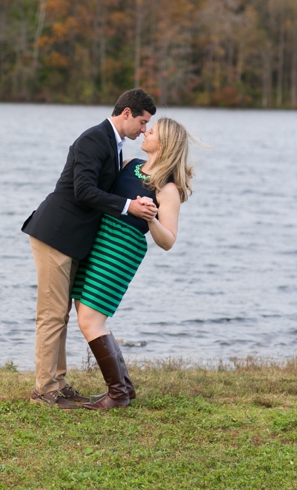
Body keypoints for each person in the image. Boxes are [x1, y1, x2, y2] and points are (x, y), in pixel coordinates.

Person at [22, 88, 158, 410]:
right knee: (51, 315)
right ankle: (44, 390)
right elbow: (83, 191)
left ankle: (59, 383)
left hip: (73, 240)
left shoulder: (114, 145)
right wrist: (129, 206)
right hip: (55, 234)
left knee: (61, 316)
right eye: (142, 122)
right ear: (126, 113)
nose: (143, 130)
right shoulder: (94, 139)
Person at [72, 117, 196, 410]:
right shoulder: (128, 164)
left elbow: (168, 241)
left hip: (122, 247)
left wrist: (151, 218)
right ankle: (125, 387)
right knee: (84, 311)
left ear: (163, 143)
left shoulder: (167, 188)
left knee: (90, 320)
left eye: (151, 131)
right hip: (98, 238)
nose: (145, 131)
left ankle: (117, 394)